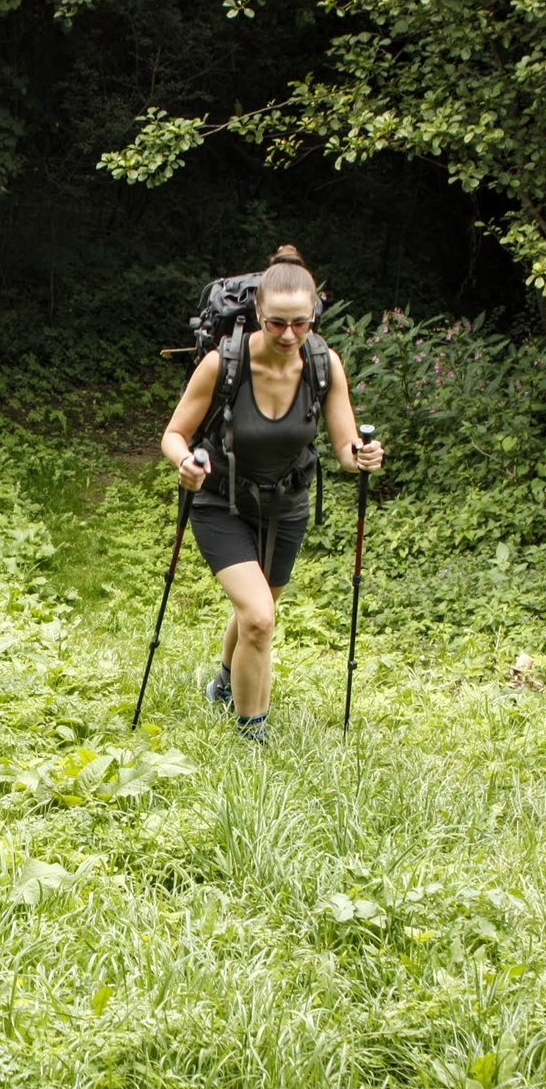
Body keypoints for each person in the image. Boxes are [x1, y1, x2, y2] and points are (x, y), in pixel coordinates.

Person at [159, 246, 385, 742]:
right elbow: (174, 435)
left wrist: (362, 456)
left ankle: (223, 683)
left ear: (313, 318)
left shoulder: (324, 365)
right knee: (260, 618)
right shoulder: (225, 363)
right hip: (221, 502)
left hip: (286, 507)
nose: (289, 335)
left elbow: (346, 446)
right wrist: (186, 464)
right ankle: (252, 735)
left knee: (256, 612)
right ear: (258, 314)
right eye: (278, 323)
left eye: (300, 324)